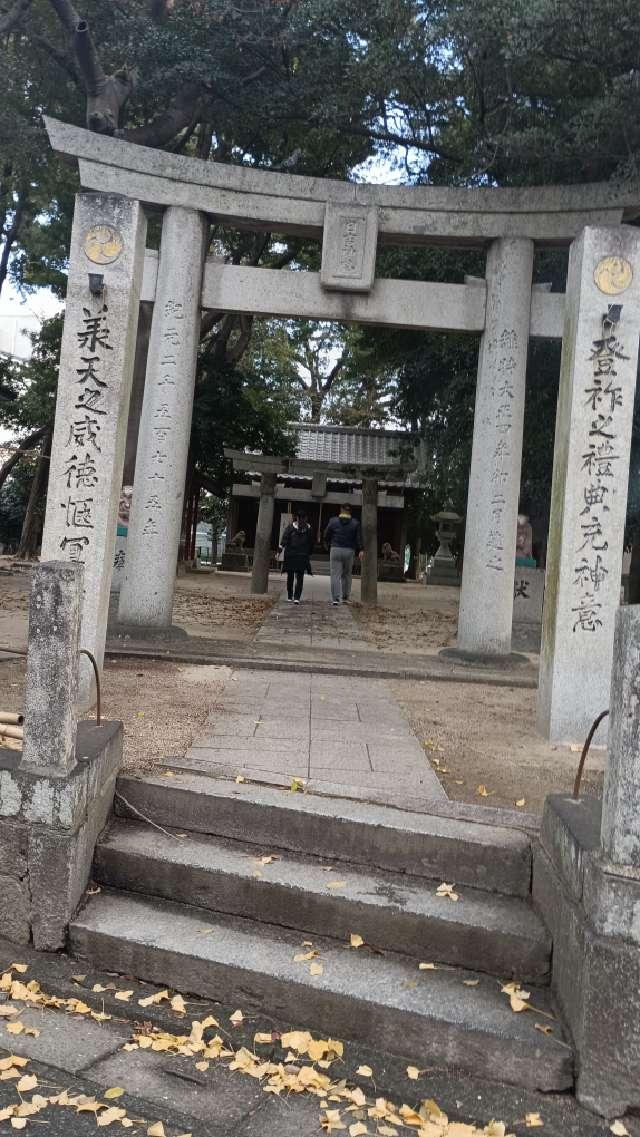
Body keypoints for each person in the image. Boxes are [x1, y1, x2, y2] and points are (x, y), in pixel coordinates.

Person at [324, 503, 363, 606]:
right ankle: (345, 597)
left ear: (341, 510)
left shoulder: (333, 521)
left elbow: (326, 534)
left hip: (335, 549)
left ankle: (335, 599)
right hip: (349, 550)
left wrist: (327, 544)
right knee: (347, 575)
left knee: (335, 575)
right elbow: (358, 538)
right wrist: (361, 550)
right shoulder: (355, 523)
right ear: (350, 511)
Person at [279, 511, 313, 603]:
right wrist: (309, 553)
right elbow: (311, 543)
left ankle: (291, 596)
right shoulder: (308, 529)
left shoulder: (291, 528)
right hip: (300, 555)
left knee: (291, 577)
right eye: (301, 518)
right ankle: (296, 597)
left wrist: (281, 548)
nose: (301, 520)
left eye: (302, 518)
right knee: (299, 577)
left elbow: (285, 539)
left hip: (292, 555)